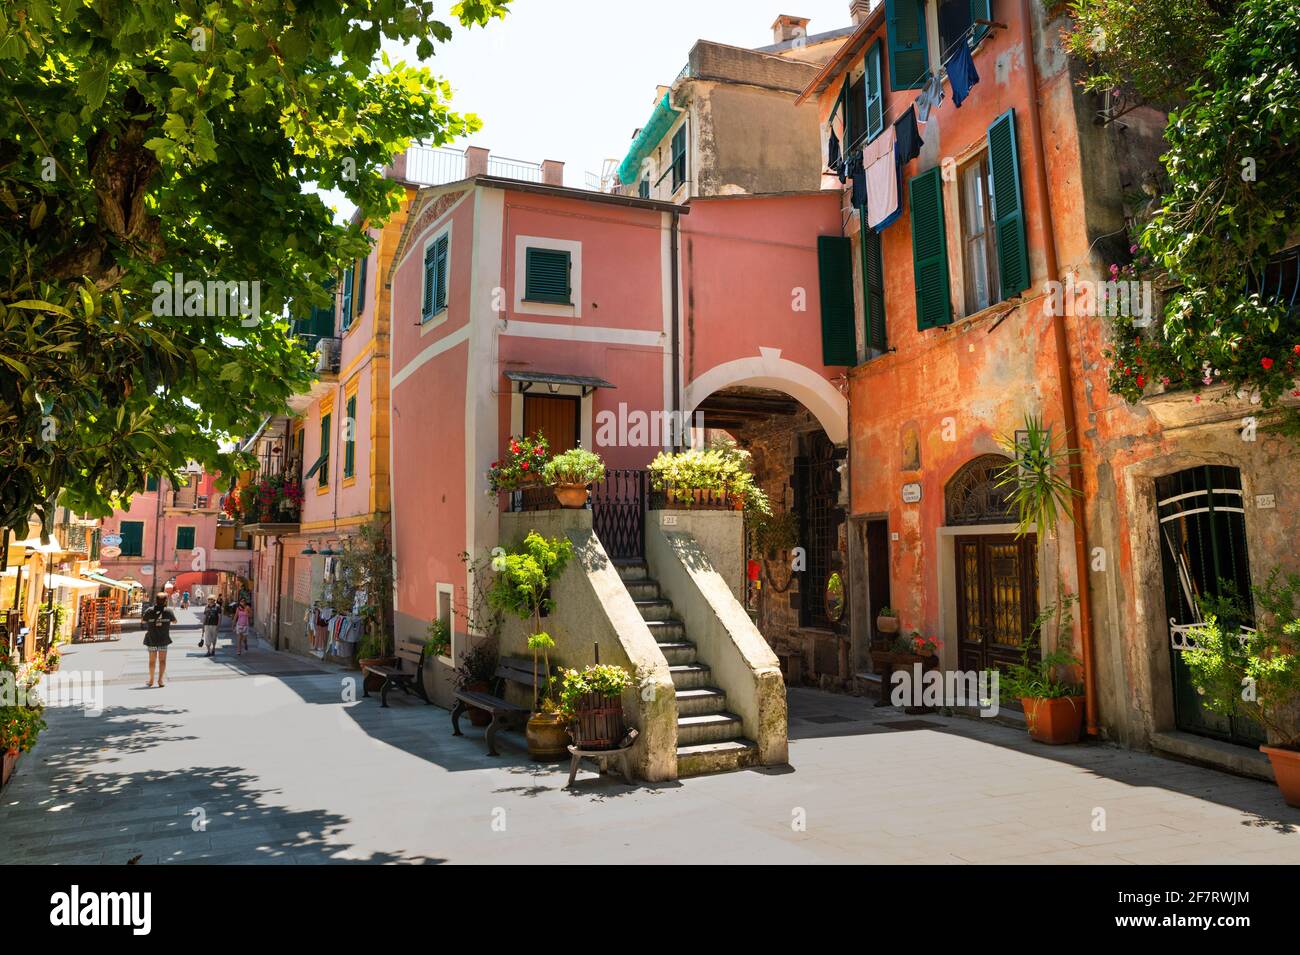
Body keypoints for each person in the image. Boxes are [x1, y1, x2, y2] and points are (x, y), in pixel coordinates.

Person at [141, 592, 176, 687]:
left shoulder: (149, 610)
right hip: (163, 639)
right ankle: (160, 680)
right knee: (162, 661)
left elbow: (143, 621)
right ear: (165, 601)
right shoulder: (168, 611)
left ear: (156, 600)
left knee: (152, 661)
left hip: (152, 639)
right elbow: (175, 621)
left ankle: (151, 680)